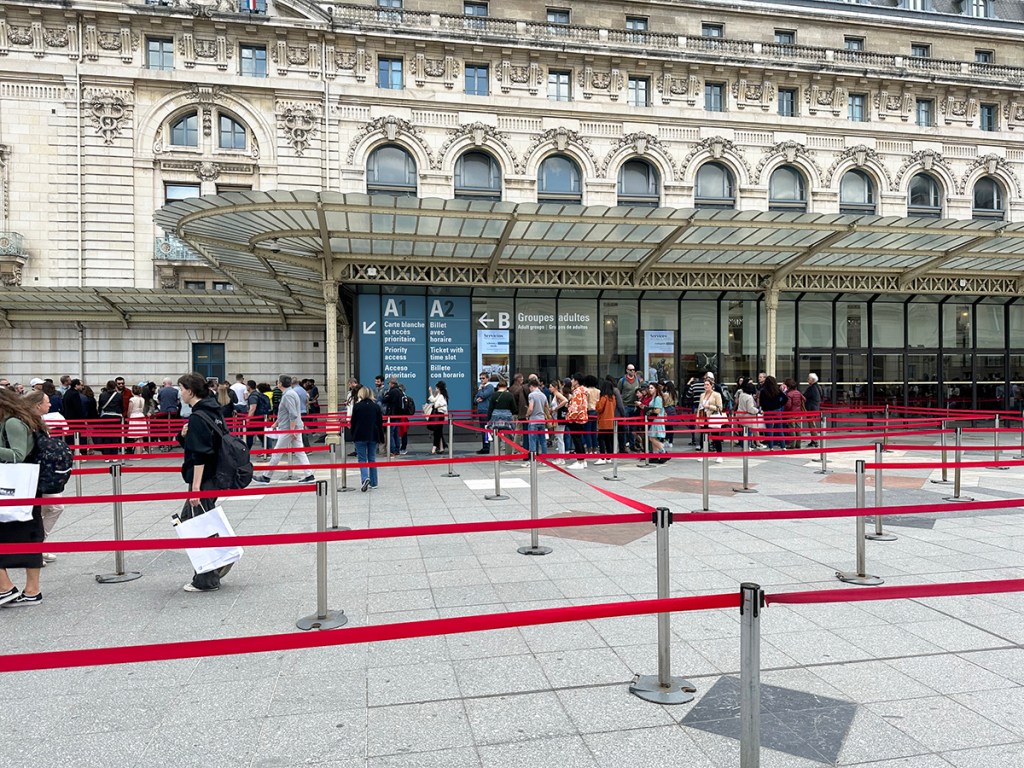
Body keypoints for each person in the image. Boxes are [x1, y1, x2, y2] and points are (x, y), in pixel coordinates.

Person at [175, 372, 235, 593]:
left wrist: (195, 489)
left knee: (194, 523)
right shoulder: (213, 411)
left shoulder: (198, 417)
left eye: (182, 389)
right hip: (216, 475)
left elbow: (200, 455)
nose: (180, 393)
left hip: (204, 478)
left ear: (191, 391)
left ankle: (208, 576)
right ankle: (218, 562)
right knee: (198, 520)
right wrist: (184, 436)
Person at [0, 388, 47, 606]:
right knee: (30, 537)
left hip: (16, 488)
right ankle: (28, 590)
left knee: (28, 537)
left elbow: (18, 455)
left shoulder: (13, 422)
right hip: (23, 488)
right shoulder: (20, 419)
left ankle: (7, 588)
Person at [253, 375, 314, 484]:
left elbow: (292, 413)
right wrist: (276, 423)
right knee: (300, 452)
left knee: (277, 452)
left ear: (280, 383)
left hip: (289, 428)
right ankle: (309, 475)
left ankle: (266, 476)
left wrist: (292, 429)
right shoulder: (289, 393)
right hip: (292, 427)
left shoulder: (288, 395)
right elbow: (286, 413)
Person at [350, 386, 382, 491]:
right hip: (373, 435)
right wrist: (381, 437)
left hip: (359, 435)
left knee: (362, 458)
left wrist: (352, 435)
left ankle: (365, 478)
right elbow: (379, 423)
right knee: (372, 458)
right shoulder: (376, 407)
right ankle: (374, 482)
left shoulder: (357, 406)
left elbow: (353, 422)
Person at [697, 377, 725, 461]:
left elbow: (720, 408)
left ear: (711, 385)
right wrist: (698, 418)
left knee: (715, 437)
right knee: (704, 436)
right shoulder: (702, 395)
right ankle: (704, 454)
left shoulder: (716, 394)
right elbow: (699, 407)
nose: (706, 386)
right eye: (705, 384)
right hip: (704, 417)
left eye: (707, 384)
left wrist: (709, 406)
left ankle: (719, 455)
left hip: (713, 417)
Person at [485, 378, 517, 454]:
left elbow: (490, 408)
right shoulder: (509, 395)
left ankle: (497, 455)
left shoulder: (494, 395)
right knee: (508, 436)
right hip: (507, 417)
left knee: (496, 435)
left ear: (498, 386)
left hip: (496, 416)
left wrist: (488, 419)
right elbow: (514, 408)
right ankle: (508, 456)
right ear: (506, 386)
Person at [565, 373, 590, 469]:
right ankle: (583, 460)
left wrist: (570, 418)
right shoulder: (584, 391)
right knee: (579, 439)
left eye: (573, 379)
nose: (572, 381)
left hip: (576, 419)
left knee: (577, 440)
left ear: (576, 381)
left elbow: (576, 407)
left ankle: (580, 461)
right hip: (582, 417)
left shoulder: (577, 392)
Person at [758, 376, 788, 450]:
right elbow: (785, 398)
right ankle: (783, 446)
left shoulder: (763, 391)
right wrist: (780, 404)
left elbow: (761, 402)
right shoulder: (777, 390)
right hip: (777, 410)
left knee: (769, 429)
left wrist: (764, 408)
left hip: (767, 411)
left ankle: (771, 447)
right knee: (780, 429)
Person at [96, 380, 123, 457]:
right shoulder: (118, 395)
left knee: (106, 436)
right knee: (115, 436)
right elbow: (121, 406)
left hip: (105, 416)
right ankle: (114, 455)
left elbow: (100, 406)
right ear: (115, 386)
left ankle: (106, 455)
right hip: (116, 417)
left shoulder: (102, 395)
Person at [643, 382, 669, 462]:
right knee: (653, 437)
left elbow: (657, 410)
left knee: (651, 437)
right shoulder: (654, 398)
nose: (650, 389)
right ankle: (655, 455)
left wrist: (648, 410)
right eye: (649, 388)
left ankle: (663, 451)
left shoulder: (657, 398)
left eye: (652, 388)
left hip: (657, 419)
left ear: (656, 389)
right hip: (655, 419)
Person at [734, 380, 764, 449]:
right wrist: (758, 411)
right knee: (749, 432)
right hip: (748, 417)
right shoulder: (749, 397)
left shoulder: (741, 395)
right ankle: (748, 446)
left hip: (741, 416)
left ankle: (744, 446)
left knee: (743, 432)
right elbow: (750, 409)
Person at [380, 378, 405, 457]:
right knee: (396, 433)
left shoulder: (392, 391)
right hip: (398, 415)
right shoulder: (400, 391)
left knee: (390, 433)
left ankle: (392, 450)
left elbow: (385, 400)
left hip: (392, 414)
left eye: (389, 383)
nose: (388, 385)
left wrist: (385, 395)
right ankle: (397, 450)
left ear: (392, 384)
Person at [595, 379, 616, 465]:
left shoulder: (604, 398)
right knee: (608, 440)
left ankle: (602, 457)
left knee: (601, 439)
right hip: (611, 422)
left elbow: (599, 408)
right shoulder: (613, 398)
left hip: (603, 421)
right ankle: (609, 457)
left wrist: (597, 402)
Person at [525, 378, 547, 459]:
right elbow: (546, 407)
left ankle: (533, 458)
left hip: (533, 420)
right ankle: (544, 457)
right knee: (543, 440)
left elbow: (531, 408)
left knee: (532, 440)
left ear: (531, 386)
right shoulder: (543, 395)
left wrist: (527, 415)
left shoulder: (531, 395)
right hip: (542, 419)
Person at [474, 373, 496, 454]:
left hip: (486, 411)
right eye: (480, 378)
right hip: (481, 411)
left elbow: (483, 395)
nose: (481, 380)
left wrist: (480, 390)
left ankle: (486, 448)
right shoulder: (482, 387)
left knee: (486, 430)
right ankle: (484, 446)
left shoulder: (489, 387)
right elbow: (475, 399)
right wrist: (478, 398)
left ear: (487, 378)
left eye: (483, 378)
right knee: (483, 430)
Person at [425, 381, 449, 454]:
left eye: (436, 388)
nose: (435, 389)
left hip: (440, 415)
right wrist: (431, 393)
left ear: (439, 388)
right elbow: (433, 400)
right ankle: (442, 447)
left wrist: (431, 394)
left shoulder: (441, 396)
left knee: (437, 432)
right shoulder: (440, 395)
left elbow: (436, 404)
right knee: (439, 431)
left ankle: (434, 448)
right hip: (439, 414)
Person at [549, 379, 569, 464]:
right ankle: (561, 456)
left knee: (560, 438)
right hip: (556, 417)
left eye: (551, 387)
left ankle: (561, 457)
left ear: (555, 387)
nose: (550, 388)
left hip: (559, 418)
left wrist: (556, 408)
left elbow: (565, 400)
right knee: (559, 437)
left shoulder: (557, 394)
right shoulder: (555, 395)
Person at [783, 377, 806, 448]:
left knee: (792, 429)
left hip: (790, 414)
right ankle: (798, 444)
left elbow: (788, 405)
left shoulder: (789, 394)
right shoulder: (798, 392)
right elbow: (804, 399)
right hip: (798, 413)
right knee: (798, 429)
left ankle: (792, 445)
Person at [126, 384, 147, 457]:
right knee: (141, 437)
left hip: (134, 416)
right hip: (141, 415)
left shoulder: (132, 399)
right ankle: (140, 452)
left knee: (136, 437)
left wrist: (128, 418)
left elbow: (129, 410)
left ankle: (137, 455)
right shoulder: (142, 399)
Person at [804, 373, 822, 448]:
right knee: (812, 424)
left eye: (809, 379)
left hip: (811, 409)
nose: (807, 380)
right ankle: (813, 440)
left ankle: (815, 440)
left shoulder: (812, 388)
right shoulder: (817, 387)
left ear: (812, 380)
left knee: (812, 425)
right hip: (815, 408)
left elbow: (805, 396)